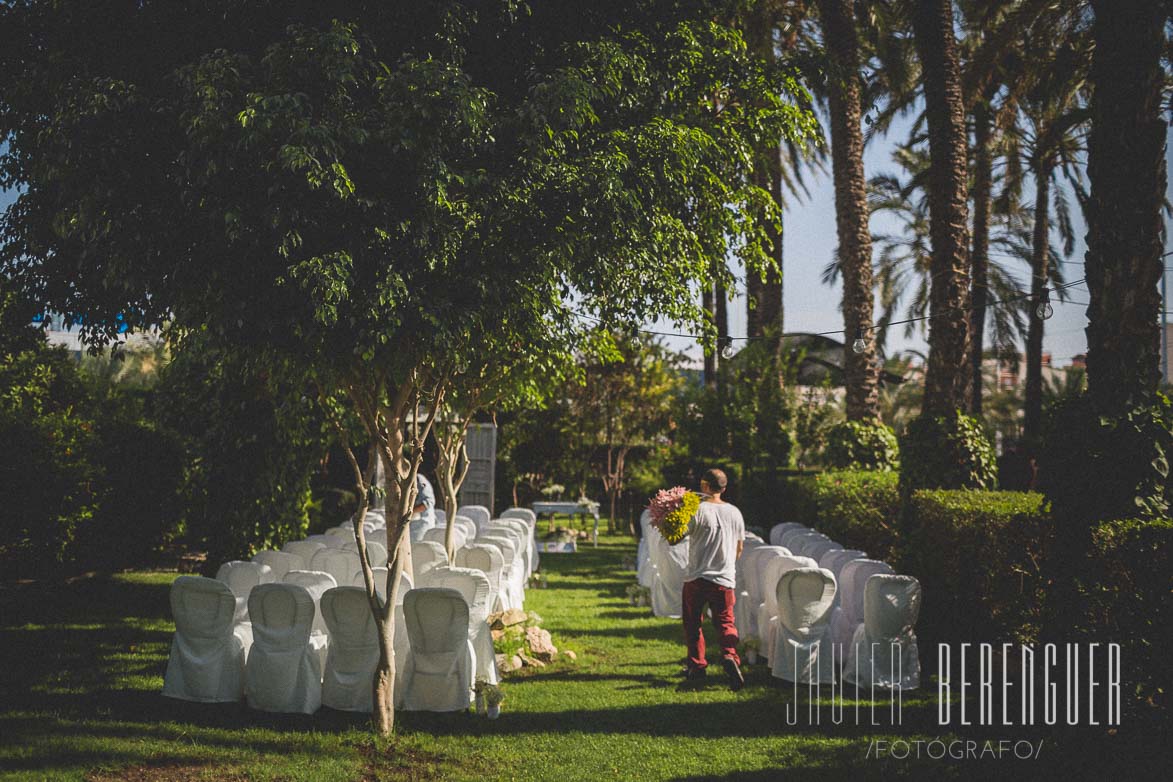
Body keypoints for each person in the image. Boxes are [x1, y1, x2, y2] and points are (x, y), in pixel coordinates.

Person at [680, 468, 745, 690]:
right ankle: (730, 656)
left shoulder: (696, 510)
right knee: (726, 621)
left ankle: (697, 667)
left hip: (697, 576)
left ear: (705, 485)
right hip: (724, 578)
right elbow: (739, 547)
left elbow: (676, 537)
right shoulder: (735, 512)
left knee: (693, 624)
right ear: (724, 489)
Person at [408, 472, 437, 541]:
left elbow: (427, 503)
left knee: (417, 548)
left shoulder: (419, 480)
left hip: (423, 524)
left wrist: (409, 512)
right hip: (411, 524)